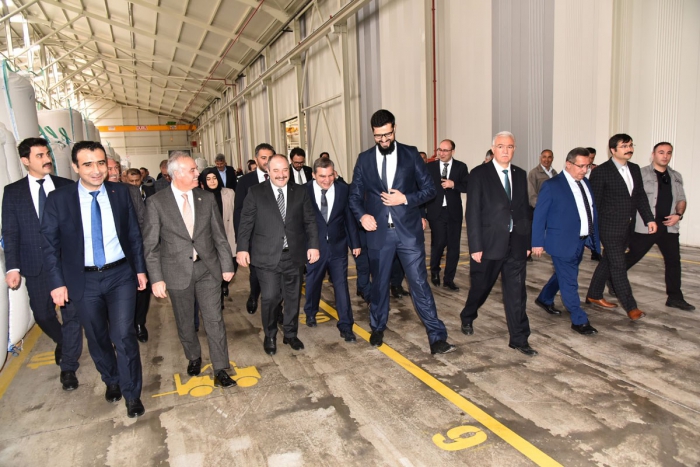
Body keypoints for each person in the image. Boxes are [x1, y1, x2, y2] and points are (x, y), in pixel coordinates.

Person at [41, 141, 147, 417]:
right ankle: (111, 379)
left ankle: (132, 393)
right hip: (83, 280)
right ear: (75, 167)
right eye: (88, 164)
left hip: (120, 275)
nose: (97, 170)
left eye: (101, 163)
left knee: (123, 335)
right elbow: (49, 245)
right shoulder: (59, 199)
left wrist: (139, 269)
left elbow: (133, 234)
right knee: (97, 336)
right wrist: (57, 283)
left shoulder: (121, 192)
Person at [349, 109, 454, 355]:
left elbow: (429, 190)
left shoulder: (410, 154)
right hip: (379, 234)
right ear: (372, 133)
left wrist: (405, 199)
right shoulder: (364, 159)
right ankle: (377, 327)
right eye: (378, 136)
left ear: (394, 128)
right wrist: (362, 216)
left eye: (387, 134)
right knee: (379, 284)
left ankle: (436, 336)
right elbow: (354, 196)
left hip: (408, 233)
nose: (383, 140)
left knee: (419, 283)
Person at [143, 152, 236, 388]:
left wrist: (226, 264)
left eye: (196, 169)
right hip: (176, 272)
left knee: (214, 319)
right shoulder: (157, 202)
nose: (197, 173)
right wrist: (156, 278)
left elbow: (219, 235)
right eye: (192, 170)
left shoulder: (206, 198)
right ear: (176, 174)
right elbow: (151, 245)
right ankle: (193, 355)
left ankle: (220, 368)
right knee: (185, 321)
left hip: (207, 269)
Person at [2, 137, 83, 390]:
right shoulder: (13, 192)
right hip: (35, 264)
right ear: (25, 160)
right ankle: (64, 342)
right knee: (43, 314)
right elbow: (10, 232)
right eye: (40, 156)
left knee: (72, 315)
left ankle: (68, 367)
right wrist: (12, 267)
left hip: (67, 263)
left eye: (47, 154)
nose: (47, 159)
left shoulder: (67, 186)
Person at [460, 131, 536, 356]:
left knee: (517, 293)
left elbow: (524, 211)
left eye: (510, 147)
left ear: (514, 149)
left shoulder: (520, 174)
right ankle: (468, 315)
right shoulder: (479, 174)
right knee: (481, 287)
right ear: (493, 149)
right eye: (501, 146)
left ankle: (519, 338)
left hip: (516, 243)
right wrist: (475, 246)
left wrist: (527, 241)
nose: (505, 150)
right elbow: (472, 212)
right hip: (489, 244)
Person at [236, 155, 320, 355]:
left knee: (292, 297)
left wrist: (313, 245)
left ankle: (290, 334)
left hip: (294, 255)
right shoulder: (255, 192)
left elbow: (309, 221)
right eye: (276, 170)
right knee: (271, 297)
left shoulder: (300, 191)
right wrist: (242, 249)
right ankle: (270, 334)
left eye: (284, 170)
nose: (281, 175)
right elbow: (246, 223)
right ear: (268, 171)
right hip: (266, 256)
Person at [586, 134, 656, 321]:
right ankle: (631, 307)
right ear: (613, 150)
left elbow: (640, 196)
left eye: (631, 145)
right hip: (609, 227)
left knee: (609, 261)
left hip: (627, 226)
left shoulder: (634, 168)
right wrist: (593, 231)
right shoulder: (601, 171)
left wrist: (649, 219)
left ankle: (594, 294)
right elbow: (594, 204)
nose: (629, 149)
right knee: (618, 265)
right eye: (624, 146)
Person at [532, 147, 600, 335]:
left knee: (563, 274)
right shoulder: (552, 185)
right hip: (561, 241)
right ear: (568, 164)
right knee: (570, 281)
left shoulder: (585, 183)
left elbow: (589, 210)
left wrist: (592, 236)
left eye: (587, 166)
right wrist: (537, 242)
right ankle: (579, 319)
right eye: (580, 166)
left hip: (580, 241)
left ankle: (545, 298)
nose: (584, 170)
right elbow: (540, 215)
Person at [625, 142, 694, 311]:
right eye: (661, 152)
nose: (665, 156)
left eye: (668, 153)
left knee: (673, 261)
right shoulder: (640, 174)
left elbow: (681, 199)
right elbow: (632, 199)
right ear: (653, 154)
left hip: (669, 227)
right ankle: (612, 277)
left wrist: (678, 215)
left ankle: (675, 297)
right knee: (633, 256)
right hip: (646, 225)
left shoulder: (676, 176)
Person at [302, 158, 360, 341]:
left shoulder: (343, 189)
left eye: (330, 175)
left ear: (334, 173)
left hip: (338, 247)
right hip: (314, 248)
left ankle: (346, 325)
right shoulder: (304, 191)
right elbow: (300, 222)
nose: (326, 180)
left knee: (341, 285)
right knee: (313, 281)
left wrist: (355, 243)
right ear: (313, 175)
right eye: (322, 176)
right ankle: (311, 311)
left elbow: (349, 218)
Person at [234, 144, 274, 314]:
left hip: (276, 237)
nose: (266, 161)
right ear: (256, 159)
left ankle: (276, 308)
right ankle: (253, 295)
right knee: (256, 272)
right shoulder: (245, 182)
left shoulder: (281, 178)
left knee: (277, 275)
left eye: (270, 158)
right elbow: (239, 211)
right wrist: (241, 243)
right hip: (254, 238)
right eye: (263, 158)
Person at [425, 139, 469, 291]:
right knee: (438, 243)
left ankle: (449, 279)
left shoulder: (461, 167)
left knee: (454, 247)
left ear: (453, 152)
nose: (441, 153)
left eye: (445, 150)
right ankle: (435, 271)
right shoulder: (430, 167)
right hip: (436, 211)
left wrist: (454, 184)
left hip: (454, 212)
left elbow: (467, 186)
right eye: (440, 150)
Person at [198, 167, 237, 304]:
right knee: (214, 269)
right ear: (203, 182)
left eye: (214, 178)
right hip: (210, 238)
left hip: (229, 233)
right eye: (208, 179)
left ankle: (224, 285)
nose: (212, 181)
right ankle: (218, 296)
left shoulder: (229, 193)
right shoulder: (200, 196)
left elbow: (236, 212)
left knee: (232, 265)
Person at [123, 167, 152, 342]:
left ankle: (140, 323)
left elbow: (143, 219)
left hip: (137, 247)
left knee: (142, 288)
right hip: (114, 255)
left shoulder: (133, 192)